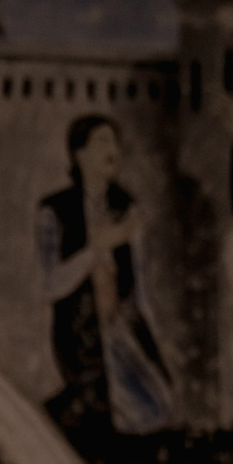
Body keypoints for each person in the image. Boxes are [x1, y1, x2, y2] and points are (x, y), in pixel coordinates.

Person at [38, 114, 175, 446]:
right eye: (101, 142)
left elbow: (137, 280)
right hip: (81, 332)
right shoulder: (53, 210)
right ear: (79, 154)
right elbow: (52, 286)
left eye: (114, 142)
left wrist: (146, 329)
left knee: (157, 407)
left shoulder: (126, 207)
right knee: (97, 420)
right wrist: (96, 249)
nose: (112, 150)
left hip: (121, 328)